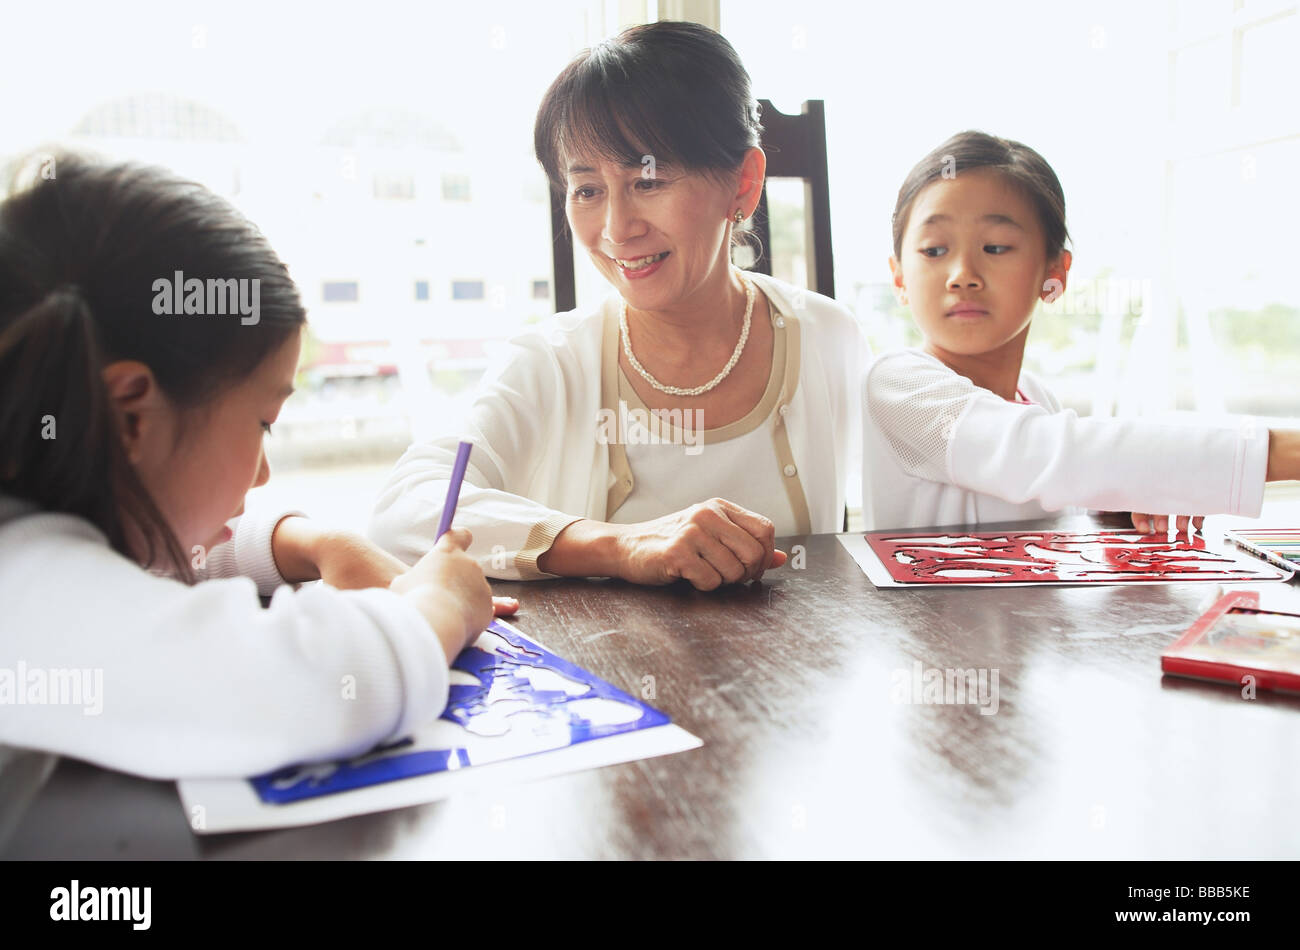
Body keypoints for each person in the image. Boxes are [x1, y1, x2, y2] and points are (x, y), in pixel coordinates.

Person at [0, 152, 507, 787]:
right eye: (263, 423)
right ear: (132, 415)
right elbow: (318, 687)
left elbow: (158, 549)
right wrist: (442, 601)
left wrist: (317, 542)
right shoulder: (26, 595)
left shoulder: (36, 521)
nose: (263, 473)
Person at [371, 21, 866, 591]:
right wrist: (620, 545)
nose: (616, 229)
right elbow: (405, 512)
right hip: (595, 677)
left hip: (799, 673)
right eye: (586, 190)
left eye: (648, 181)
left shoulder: (829, 338)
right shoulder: (550, 363)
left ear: (744, 184)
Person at [863, 130, 1300, 531]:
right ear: (899, 277)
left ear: (1055, 271)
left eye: (995, 247)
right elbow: (1048, 455)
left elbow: (1067, 473)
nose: (962, 275)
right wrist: (1281, 451)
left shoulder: (1036, 397)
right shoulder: (899, 384)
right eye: (934, 250)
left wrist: (1117, 495)